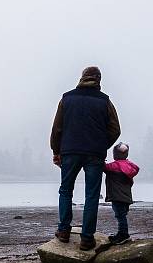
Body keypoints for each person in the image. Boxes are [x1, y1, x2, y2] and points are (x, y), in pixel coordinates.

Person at [50, 66, 121, 250]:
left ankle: (64, 230)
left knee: (66, 190)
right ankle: (87, 238)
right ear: (98, 80)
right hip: (94, 154)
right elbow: (115, 130)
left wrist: (56, 151)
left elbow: (57, 128)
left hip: (70, 152)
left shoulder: (67, 98)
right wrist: (100, 144)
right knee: (91, 195)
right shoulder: (105, 101)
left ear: (82, 78)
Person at [104, 142, 139, 244]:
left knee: (120, 216)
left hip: (117, 196)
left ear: (115, 155)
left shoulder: (114, 166)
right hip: (126, 197)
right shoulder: (130, 166)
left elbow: (103, 167)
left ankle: (123, 235)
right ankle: (122, 233)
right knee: (122, 215)